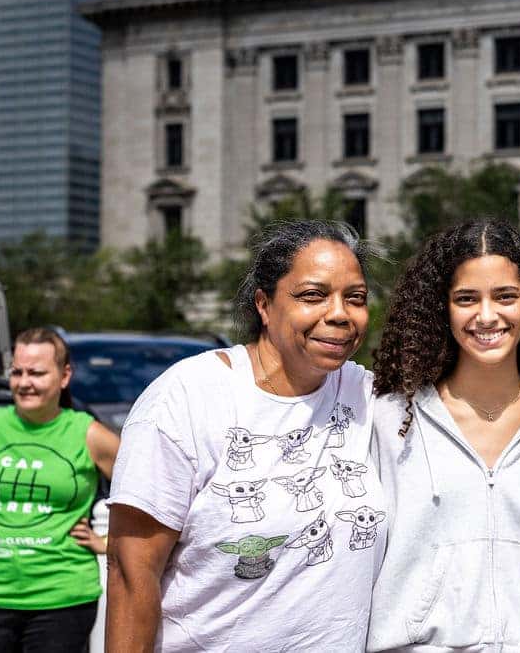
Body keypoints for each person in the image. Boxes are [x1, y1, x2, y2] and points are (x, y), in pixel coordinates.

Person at [105, 221, 384, 651]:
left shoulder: (365, 394)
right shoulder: (187, 398)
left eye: (355, 298)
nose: (339, 313)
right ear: (264, 305)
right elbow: (130, 570)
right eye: (313, 295)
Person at [367, 219, 520, 652]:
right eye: (466, 299)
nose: (487, 316)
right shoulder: (390, 418)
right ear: (443, 308)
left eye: (505, 296)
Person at [0, 327, 118, 652]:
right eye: (17, 372)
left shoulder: (87, 433)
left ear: (64, 376)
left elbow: (155, 493)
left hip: (61, 599)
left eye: (36, 373)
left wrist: (109, 543)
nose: (24, 382)